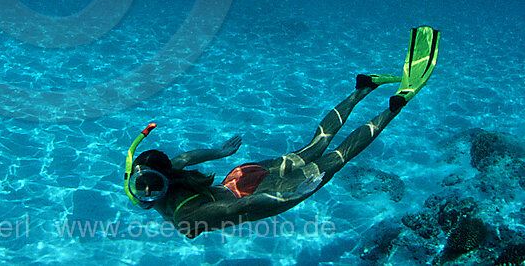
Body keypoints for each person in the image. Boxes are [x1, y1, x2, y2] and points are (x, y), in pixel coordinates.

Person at [122, 26, 440, 238]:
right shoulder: (157, 172)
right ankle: (362, 88)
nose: (148, 193)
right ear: (132, 182)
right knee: (314, 147)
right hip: (239, 176)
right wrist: (219, 153)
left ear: (163, 176)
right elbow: (185, 157)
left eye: (152, 184)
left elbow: (240, 208)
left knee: (334, 159)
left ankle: (395, 106)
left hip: (257, 193)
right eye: (143, 186)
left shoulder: (184, 220)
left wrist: (287, 196)